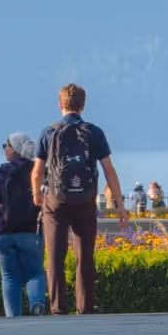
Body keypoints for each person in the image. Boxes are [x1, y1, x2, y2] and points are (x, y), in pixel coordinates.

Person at [32, 83, 129, 315]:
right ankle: (85, 307)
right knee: (85, 255)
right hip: (85, 200)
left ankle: (58, 308)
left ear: (60, 104)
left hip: (56, 201)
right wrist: (120, 205)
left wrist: (36, 193)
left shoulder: (49, 132)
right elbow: (108, 169)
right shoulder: (94, 132)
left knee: (55, 255)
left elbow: (37, 171)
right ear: (83, 106)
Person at [0, 132, 46, 316]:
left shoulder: (4, 170)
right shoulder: (36, 169)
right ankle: (37, 302)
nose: (4, 148)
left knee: (9, 276)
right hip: (29, 229)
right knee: (35, 272)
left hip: (4, 230)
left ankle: (13, 317)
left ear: (13, 149)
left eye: (5, 145)